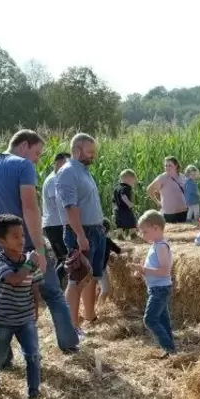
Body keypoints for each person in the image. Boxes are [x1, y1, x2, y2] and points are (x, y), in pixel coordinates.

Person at [0, 129, 79, 359]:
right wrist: (38, 248)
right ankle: (68, 344)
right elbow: (29, 206)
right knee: (53, 294)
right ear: (24, 146)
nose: (37, 160)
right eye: (36, 153)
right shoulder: (22, 166)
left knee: (1, 300)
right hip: (25, 244)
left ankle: (2, 357)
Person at [0, 214, 43, 399]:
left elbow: (34, 284)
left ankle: (34, 393)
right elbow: (15, 280)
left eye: (22, 235)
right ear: (1, 241)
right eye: (15, 236)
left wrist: (36, 306)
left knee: (33, 356)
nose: (21, 240)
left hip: (26, 319)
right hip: (3, 320)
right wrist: (30, 263)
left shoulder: (28, 260)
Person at [56, 133, 106, 333]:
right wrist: (80, 235)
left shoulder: (84, 170)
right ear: (77, 150)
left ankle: (89, 316)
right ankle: (72, 326)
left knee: (90, 275)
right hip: (81, 231)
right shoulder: (68, 172)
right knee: (76, 278)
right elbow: (70, 207)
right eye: (89, 152)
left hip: (94, 230)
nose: (93, 156)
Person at [129, 210, 175, 358]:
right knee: (162, 319)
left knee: (150, 319)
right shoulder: (155, 245)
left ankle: (167, 346)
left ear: (156, 228)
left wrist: (142, 269)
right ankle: (170, 350)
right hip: (156, 288)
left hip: (160, 289)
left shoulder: (161, 246)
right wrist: (141, 272)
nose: (143, 235)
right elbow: (154, 269)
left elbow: (164, 271)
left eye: (145, 231)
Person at [42, 152, 71, 287]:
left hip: (55, 224)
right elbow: (58, 203)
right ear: (58, 163)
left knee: (62, 258)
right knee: (65, 258)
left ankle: (55, 288)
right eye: (67, 163)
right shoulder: (54, 180)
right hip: (55, 225)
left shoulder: (56, 178)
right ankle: (54, 288)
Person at [147, 156, 188, 223]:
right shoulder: (162, 178)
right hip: (169, 213)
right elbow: (149, 189)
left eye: (170, 165)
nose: (167, 167)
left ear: (176, 166)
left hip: (183, 212)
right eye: (166, 166)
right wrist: (157, 202)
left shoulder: (182, 177)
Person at [97, 219, 125, 306]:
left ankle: (93, 306)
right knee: (105, 290)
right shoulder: (106, 240)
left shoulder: (92, 239)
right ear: (106, 230)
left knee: (98, 287)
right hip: (100, 269)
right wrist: (130, 249)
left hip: (91, 268)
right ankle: (99, 307)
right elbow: (119, 250)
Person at [113, 169, 138, 240]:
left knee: (119, 224)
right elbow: (123, 196)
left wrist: (114, 209)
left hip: (117, 210)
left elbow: (114, 200)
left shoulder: (116, 188)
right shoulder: (126, 188)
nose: (133, 182)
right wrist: (129, 204)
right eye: (133, 180)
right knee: (131, 222)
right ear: (128, 179)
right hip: (125, 209)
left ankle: (119, 235)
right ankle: (133, 235)